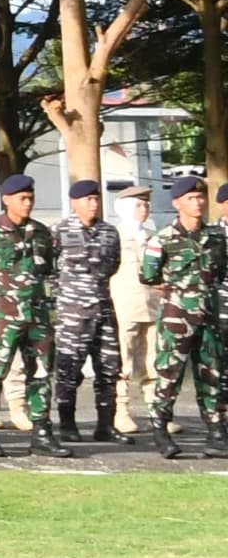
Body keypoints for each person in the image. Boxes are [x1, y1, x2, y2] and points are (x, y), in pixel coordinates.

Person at [138, 170, 227, 458]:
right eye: (191, 198)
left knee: (212, 374)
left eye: (201, 197)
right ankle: (161, 430)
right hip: (177, 316)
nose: (198, 203)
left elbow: (221, 271)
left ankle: (216, 432)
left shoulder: (216, 237)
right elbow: (148, 274)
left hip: (209, 315)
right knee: (169, 375)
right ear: (177, 202)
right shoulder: (163, 239)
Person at [0, 173, 56, 455]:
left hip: (38, 316)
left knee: (41, 373)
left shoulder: (41, 232)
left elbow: (48, 270)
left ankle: (42, 431)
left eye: (30, 198)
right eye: (22, 198)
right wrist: (2, 297)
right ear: (7, 200)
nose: (28, 203)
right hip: (4, 318)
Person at [48, 177, 125, 443]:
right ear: (75, 202)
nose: (93, 204)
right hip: (72, 313)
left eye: (96, 199)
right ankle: (68, 424)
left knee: (109, 368)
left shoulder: (109, 232)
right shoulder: (58, 231)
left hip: (103, 310)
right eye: (88, 200)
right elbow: (48, 271)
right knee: (68, 369)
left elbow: (113, 264)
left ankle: (106, 425)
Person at [110, 183, 157, 437]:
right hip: (125, 305)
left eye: (146, 204)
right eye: (139, 204)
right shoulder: (116, 235)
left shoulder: (152, 235)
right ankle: (122, 410)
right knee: (124, 360)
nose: (144, 209)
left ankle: (157, 411)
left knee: (154, 360)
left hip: (152, 305)